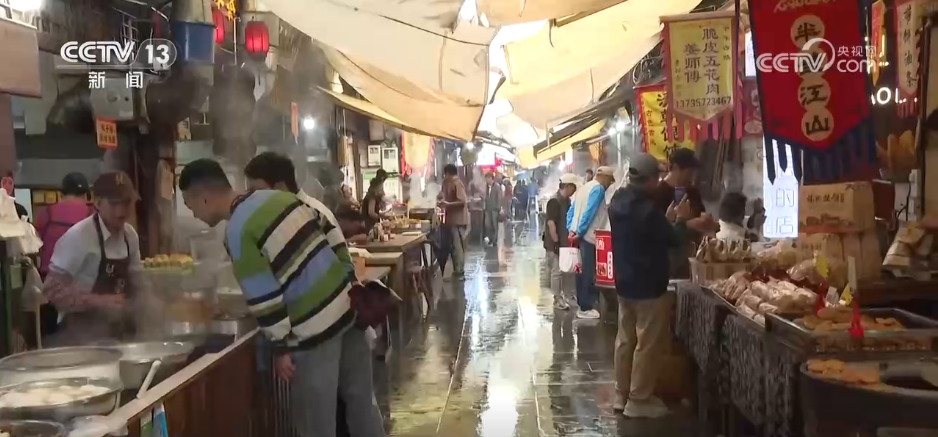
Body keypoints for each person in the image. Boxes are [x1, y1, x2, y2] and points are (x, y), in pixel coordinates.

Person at [179, 159, 384, 437]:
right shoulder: (277, 198)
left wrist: (280, 345)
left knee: (316, 425)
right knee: (362, 408)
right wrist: (345, 280)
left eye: (190, 206)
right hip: (349, 309)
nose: (194, 215)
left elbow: (263, 293)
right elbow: (330, 230)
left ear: (203, 197)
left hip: (314, 329)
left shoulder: (237, 229)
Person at [608, 153, 705, 418]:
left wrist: (667, 219)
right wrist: (680, 220)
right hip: (648, 285)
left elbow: (645, 233)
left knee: (625, 339)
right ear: (650, 180)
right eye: (657, 177)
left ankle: (621, 394)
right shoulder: (648, 211)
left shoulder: (617, 200)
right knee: (647, 343)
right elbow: (673, 239)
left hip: (624, 282)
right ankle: (639, 399)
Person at [41, 172, 145, 346]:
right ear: (97, 203)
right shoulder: (79, 237)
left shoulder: (130, 236)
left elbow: (138, 282)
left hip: (120, 333)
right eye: (113, 203)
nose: (121, 210)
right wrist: (100, 302)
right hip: (80, 337)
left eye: (126, 202)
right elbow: (51, 291)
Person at [651, 147, 717, 278]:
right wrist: (689, 224)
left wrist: (708, 222)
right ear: (675, 167)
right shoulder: (657, 194)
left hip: (693, 259)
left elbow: (701, 214)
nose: (692, 177)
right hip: (668, 264)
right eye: (689, 172)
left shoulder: (692, 192)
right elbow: (656, 231)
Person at [566, 166, 616, 319]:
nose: (609, 185)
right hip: (588, 236)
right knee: (587, 271)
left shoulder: (583, 188)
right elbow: (589, 212)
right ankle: (585, 307)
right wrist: (580, 231)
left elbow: (571, 211)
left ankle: (583, 303)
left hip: (578, 235)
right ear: (605, 178)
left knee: (580, 270)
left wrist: (571, 229)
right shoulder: (598, 189)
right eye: (610, 181)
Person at [244, 152, 340, 228]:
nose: (251, 198)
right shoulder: (283, 215)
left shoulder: (314, 217)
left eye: (255, 192)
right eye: (249, 193)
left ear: (280, 188)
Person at [35, 173, 93, 278]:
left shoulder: (46, 213)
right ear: (85, 195)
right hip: (83, 279)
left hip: (50, 277)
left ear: (61, 195)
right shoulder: (93, 215)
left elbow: (35, 247)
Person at [544, 173, 578, 310]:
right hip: (555, 244)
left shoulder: (567, 201)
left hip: (565, 242)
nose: (574, 190)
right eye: (573, 187)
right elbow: (551, 224)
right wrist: (556, 243)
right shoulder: (554, 201)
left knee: (567, 271)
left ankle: (568, 296)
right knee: (557, 271)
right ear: (567, 186)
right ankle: (557, 298)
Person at [439, 164, 468, 280]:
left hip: (458, 221)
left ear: (448, 174)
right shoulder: (447, 182)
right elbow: (444, 195)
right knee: (453, 247)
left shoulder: (457, 183)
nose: (444, 176)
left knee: (457, 247)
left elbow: (462, 201)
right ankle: (457, 270)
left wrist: (448, 204)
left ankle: (460, 271)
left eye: (445, 174)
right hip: (451, 220)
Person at [482, 172, 504, 247]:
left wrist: (499, 208)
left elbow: (499, 197)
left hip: (495, 209)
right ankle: (491, 238)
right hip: (488, 209)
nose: (486, 180)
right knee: (487, 225)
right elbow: (485, 196)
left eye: (487, 178)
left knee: (494, 226)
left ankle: (494, 240)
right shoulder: (486, 187)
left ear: (491, 178)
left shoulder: (497, 186)